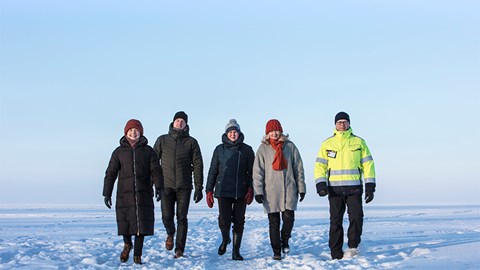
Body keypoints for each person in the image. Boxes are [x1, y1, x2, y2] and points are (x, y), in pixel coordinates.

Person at [314, 111, 376, 260]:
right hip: (334, 190)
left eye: (344, 122)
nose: (342, 125)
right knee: (335, 221)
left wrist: (370, 186)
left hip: (354, 189)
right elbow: (320, 166)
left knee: (356, 217)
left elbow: (368, 164)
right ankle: (335, 252)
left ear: (349, 124)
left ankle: (353, 246)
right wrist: (321, 184)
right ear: (335, 125)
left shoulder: (359, 142)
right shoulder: (327, 143)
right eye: (339, 122)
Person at [103, 119, 163, 265]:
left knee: (142, 225)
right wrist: (107, 193)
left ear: (140, 132)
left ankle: (137, 255)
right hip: (125, 194)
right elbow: (110, 173)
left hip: (143, 193)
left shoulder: (149, 151)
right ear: (126, 132)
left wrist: (159, 187)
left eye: (136, 130)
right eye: (131, 130)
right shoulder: (118, 152)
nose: (133, 132)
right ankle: (127, 244)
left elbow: (156, 170)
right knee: (125, 222)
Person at [253, 119, 306, 260]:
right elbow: (258, 171)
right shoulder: (263, 149)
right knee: (274, 222)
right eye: (271, 131)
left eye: (276, 131)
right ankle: (276, 250)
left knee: (289, 218)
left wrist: (301, 188)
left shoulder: (290, 146)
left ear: (281, 131)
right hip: (271, 191)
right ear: (267, 134)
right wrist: (258, 191)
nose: (274, 133)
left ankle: (285, 240)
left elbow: (298, 168)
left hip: (289, 188)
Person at [154, 111, 204, 259]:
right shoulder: (162, 140)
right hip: (166, 185)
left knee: (182, 217)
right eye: (177, 120)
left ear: (186, 124)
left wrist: (199, 187)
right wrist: (155, 184)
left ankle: (179, 249)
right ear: (173, 122)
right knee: (166, 216)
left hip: (184, 186)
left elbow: (198, 165)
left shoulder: (191, 142)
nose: (180, 123)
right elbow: (153, 163)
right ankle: (170, 232)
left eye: (183, 121)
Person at [205, 119, 255, 261]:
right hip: (223, 190)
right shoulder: (219, 149)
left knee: (239, 221)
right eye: (230, 132)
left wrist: (251, 188)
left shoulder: (247, 150)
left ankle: (236, 251)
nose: (233, 134)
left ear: (239, 133)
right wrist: (209, 190)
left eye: (235, 132)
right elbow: (213, 171)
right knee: (224, 220)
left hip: (241, 191)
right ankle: (225, 239)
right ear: (226, 134)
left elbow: (252, 172)